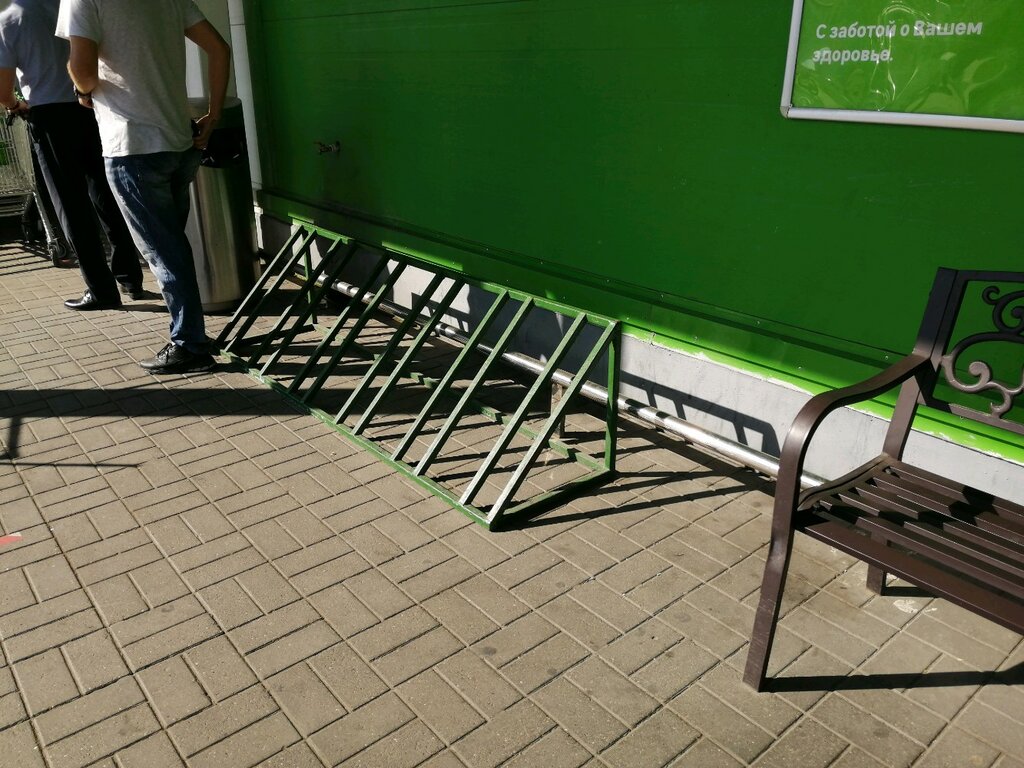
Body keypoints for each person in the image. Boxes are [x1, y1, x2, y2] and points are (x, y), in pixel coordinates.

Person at [57, 0, 230, 374]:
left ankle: (190, 344)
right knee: (173, 247)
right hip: (179, 141)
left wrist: (83, 90)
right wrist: (214, 114)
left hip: (132, 146)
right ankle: (192, 333)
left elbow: (82, 71)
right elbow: (219, 48)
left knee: (165, 253)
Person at [0, 0, 146, 310]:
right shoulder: (70, 6)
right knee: (107, 194)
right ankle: (130, 277)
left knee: (71, 205)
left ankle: (101, 289)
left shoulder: (9, 20)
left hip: (49, 117)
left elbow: (3, 89)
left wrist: (15, 106)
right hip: (92, 106)